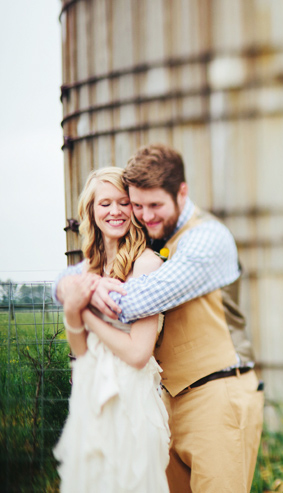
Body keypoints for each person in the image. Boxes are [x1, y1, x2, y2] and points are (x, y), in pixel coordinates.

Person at [54, 144, 263, 492]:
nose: (144, 215)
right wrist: (66, 285)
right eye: (138, 205)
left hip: (216, 393)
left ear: (182, 193)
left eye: (154, 206)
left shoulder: (204, 238)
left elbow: (137, 300)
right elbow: (71, 279)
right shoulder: (156, 237)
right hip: (166, 399)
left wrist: (82, 296)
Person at [53, 167, 169, 492]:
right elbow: (80, 351)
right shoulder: (88, 269)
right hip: (91, 394)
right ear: (91, 211)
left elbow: (137, 352)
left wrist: (85, 308)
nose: (115, 211)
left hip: (131, 399)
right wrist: (73, 306)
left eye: (123, 202)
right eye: (105, 204)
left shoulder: (147, 265)